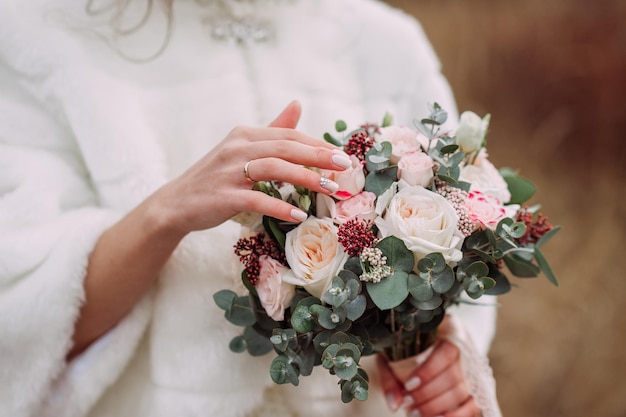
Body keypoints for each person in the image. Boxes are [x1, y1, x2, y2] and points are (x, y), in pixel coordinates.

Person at [0, 1, 499, 416]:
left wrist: (438, 347)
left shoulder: (382, 42)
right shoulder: (40, 35)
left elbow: (459, 240)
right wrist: (165, 214)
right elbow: (24, 316)